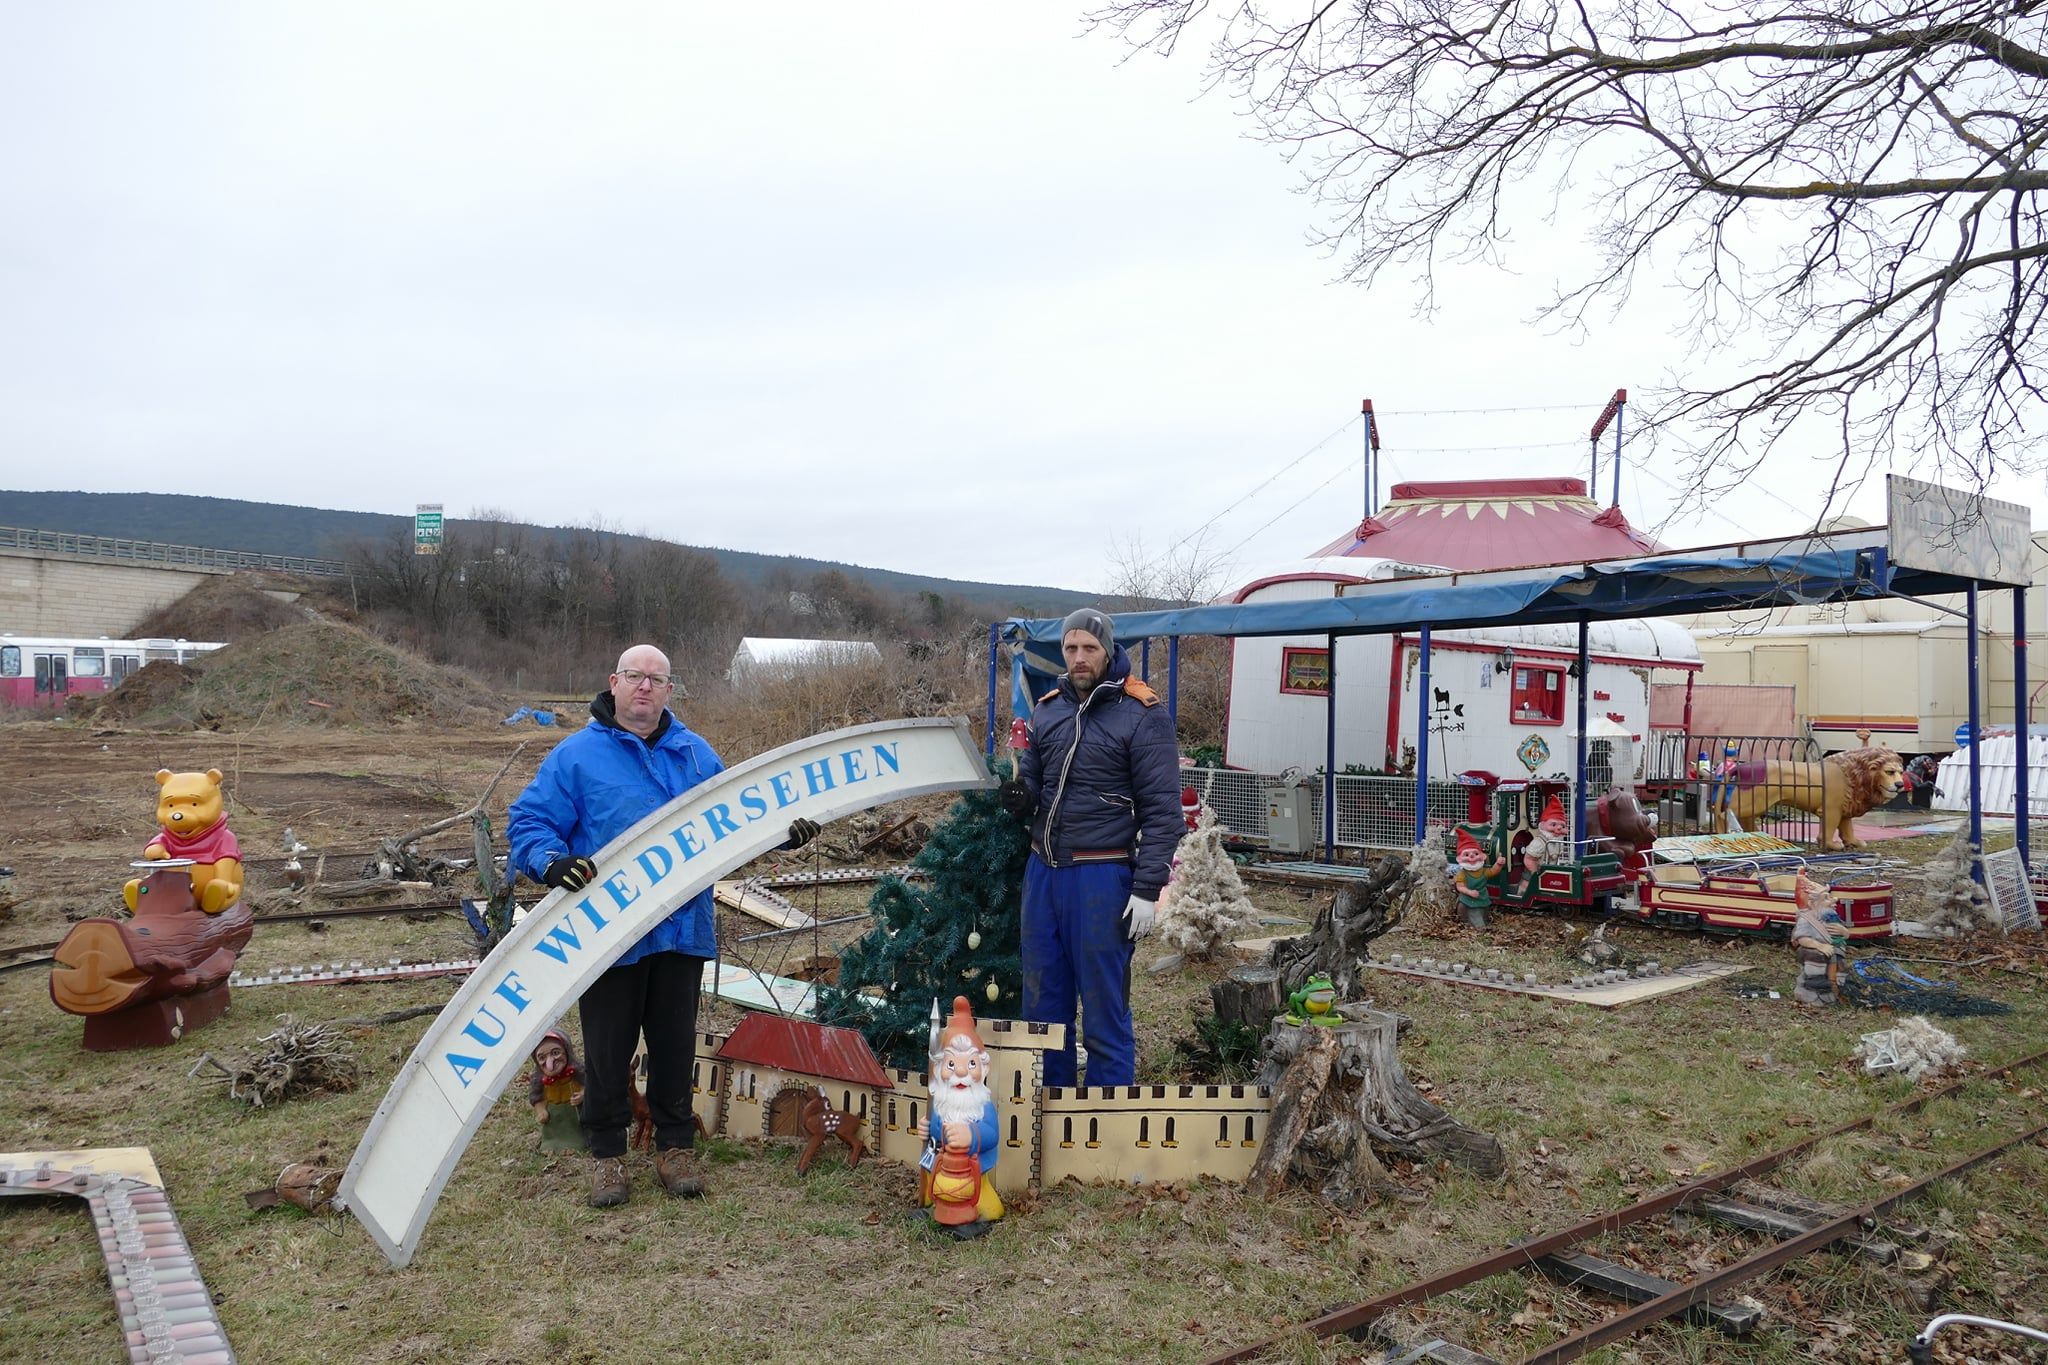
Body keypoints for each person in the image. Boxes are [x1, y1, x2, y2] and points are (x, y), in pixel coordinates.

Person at [507, 644, 818, 1207]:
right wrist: (550, 861)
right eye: (635, 676)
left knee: (675, 1044)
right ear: (614, 683)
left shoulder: (695, 755)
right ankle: (607, 1154)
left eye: (656, 679)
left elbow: (739, 821)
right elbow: (529, 820)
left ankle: (675, 1147)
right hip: (608, 936)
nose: (645, 687)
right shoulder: (576, 756)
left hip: (682, 929)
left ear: (670, 690)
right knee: (608, 1049)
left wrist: (781, 834)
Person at [999, 608, 1183, 1089]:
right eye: (1070, 648)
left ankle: (1108, 1115)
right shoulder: (1048, 709)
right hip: (1043, 874)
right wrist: (1022, 796)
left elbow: (1164, 813)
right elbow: (1035, 779)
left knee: (1104, 1009)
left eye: (1089, 648)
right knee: (1043, 1008)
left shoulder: (1143, 714)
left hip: (1101, 876)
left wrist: (1147, 889)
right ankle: (1049, 1110)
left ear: (1108, 650)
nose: (1079, 657)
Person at [912, 995, 1003, 1232]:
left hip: (973, 1173)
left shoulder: (982, 1104)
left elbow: (992, 1134)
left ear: (984, 1067)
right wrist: (928, 1128)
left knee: (987, 1206)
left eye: (971, 1064)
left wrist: (971, 1136)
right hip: (942, 1168)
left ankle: (976, 1219)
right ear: (939, 1068)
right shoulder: (942, 1102)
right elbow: (937, 1127)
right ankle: (937, 1209)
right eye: (951, 1064)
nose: (961, 1072)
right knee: (936, 1190)